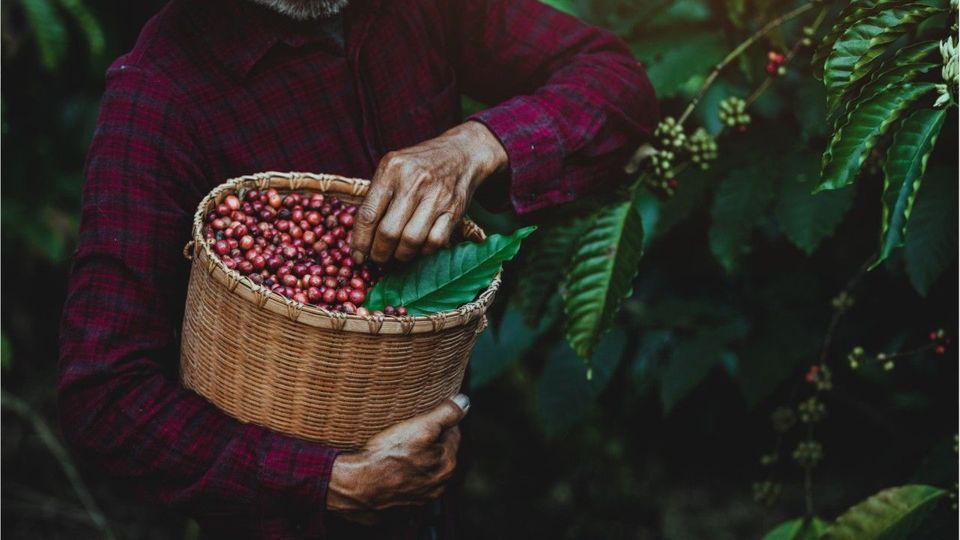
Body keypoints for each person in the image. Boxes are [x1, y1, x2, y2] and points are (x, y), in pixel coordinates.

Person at [57, 0, 658, 537]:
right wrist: (326, 480)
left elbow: (614, 80)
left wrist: (475, 145)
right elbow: (106, 396)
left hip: (435, 476)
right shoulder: (159, 94)